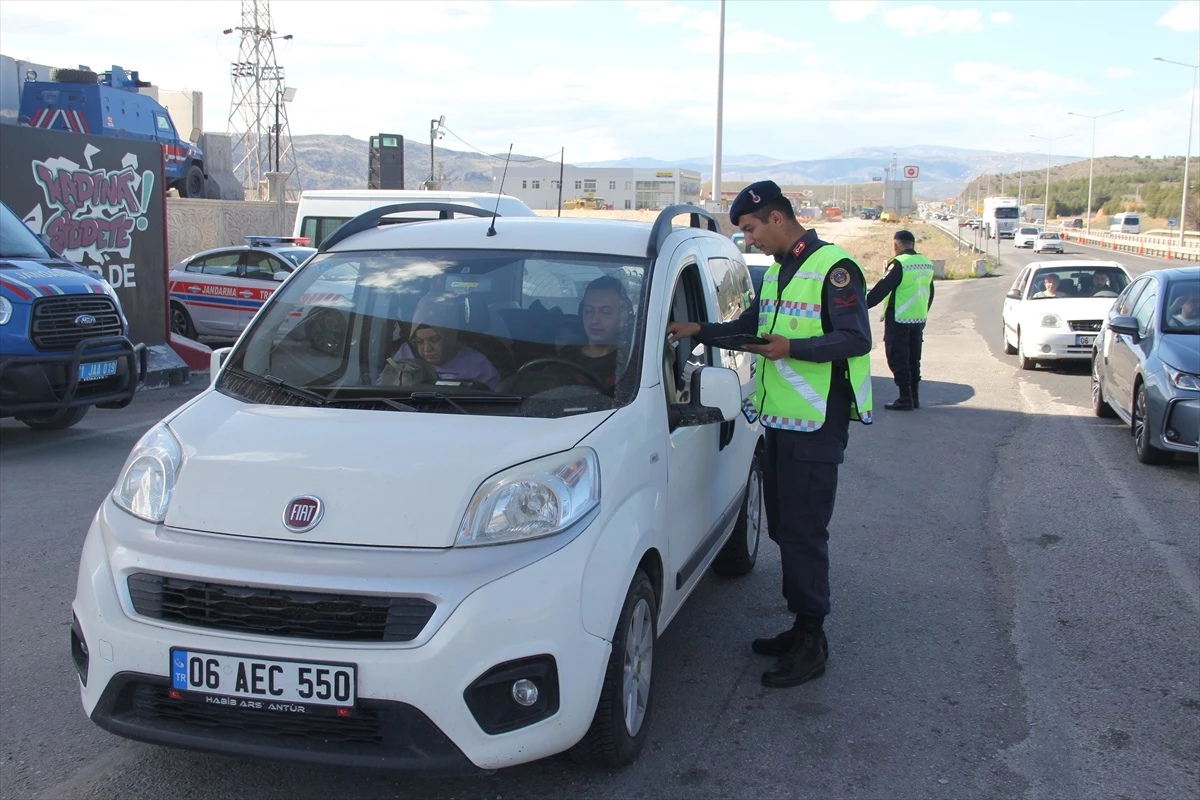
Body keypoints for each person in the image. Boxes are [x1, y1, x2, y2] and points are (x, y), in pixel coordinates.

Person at [667, 180, 873, 689]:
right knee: (784, 528)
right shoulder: (783, 271)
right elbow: (756, 326)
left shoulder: (834, 267)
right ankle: (801, 626)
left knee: (804, 534)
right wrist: (700, 332)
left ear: (777, 218)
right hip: (783, 422)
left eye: (752, 228)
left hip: (817, 426)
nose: (749, 239)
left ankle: (812, 641)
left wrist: (792, 350)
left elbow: (856, 338)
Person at [866, 230, 935, 411]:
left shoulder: (899, 264)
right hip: (918, 318)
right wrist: (924, 312)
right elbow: (931, 292)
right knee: (913, 359)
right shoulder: (926, 263)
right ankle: (914, 397)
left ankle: (905, 398)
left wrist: (859, 306)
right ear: (912, 244)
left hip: (899, 318)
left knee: (898, 358)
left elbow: (881, 289)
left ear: (895, 245)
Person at [384, 293, 501, 389]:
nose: (426, 349)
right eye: (419, 341)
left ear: (449, 338)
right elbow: (383, 388)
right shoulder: (406, 352)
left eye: (434, 340)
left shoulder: (477, 365)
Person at [558, 275, 633, 392]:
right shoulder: (563, 359)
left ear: (623, 317)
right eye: (589, 311)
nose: (594, 320)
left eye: (605, 312)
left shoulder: (633, 361)